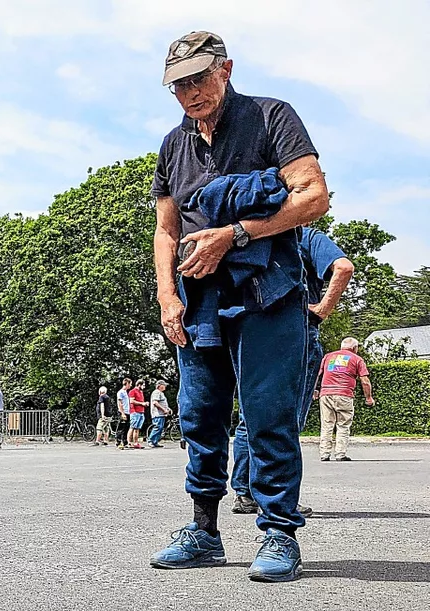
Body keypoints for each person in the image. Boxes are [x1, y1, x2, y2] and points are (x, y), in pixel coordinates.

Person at [148, 31, 330, 583]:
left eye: (199, 78)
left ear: (225, 69)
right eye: (178, 84)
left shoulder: (273, 117)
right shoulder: (173, 143)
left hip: (268, 293)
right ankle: (203, 531)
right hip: (198, 301)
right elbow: (165, 227)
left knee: (268, 416)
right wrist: (166, 296)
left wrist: (236, 235)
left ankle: (278, 532)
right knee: (199, 417)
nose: (189, 93)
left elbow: (314, 196)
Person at [231, 225, 354, 515]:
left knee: (248, 418)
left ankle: (245, 493)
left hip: (251, 334)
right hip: (294, 333)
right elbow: (343, 267)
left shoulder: (248, 235)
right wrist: (323, 309)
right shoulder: (305, 236)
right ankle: (276, 498)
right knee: (285, 420)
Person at [313, 337, 375, 462]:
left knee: (327, 424)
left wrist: (314, 390)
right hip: (344, 394)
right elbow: (365, 381)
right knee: (343, 425)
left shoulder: (328, 357)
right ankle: (340, 454)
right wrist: (369, 398)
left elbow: (316, 375)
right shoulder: (357, 359)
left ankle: (324, 454)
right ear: (355, 348)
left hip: (326, 394)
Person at [146, 380, 173, 447]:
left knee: (160, 428)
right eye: (164, 385)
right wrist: (164, 409)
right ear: (159, 386)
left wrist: (168, 409)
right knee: (157, 427)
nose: (165, 386)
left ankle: (155, 442)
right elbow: (155, 402)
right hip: (157, 414)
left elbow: (162, 403)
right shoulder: (157, 392)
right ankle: (150, 441)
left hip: (161, 414)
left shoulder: (160, 393)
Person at [127, 379, 148, 449]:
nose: (144, 387)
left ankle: (135, 443)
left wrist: (144, 403)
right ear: (139, 385)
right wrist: (142, 403)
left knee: (137, 428)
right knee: (132, 427)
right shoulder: (132, 391)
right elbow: (131, 401)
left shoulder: (141, 392)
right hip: (135, 412)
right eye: (143, 385)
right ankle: (129, 443)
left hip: (141, 412)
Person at [115, 377, 132, 449]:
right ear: (126, 383)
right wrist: (122, 413)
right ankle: (118, 442)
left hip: (128, 412)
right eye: (130, 384)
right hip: (123, 412)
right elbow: (120, 403)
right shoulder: (120, 392)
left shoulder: (126, 392)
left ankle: (125, 442)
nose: (130, 385)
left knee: (126, 428)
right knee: (121, 428)